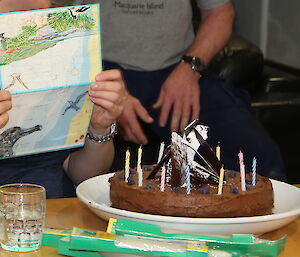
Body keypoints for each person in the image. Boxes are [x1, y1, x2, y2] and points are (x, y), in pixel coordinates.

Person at [56, 0, 287, 181]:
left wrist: (190, 68)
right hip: (99, 68)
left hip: (178, 69)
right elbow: (49, 13)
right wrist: (99, 81)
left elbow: (221, 13)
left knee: (259, 155)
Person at [0, 0, 127, 198]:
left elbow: (83, 175)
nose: (34, 4)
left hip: (52, 211)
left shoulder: (65, 51)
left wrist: (99, 129)